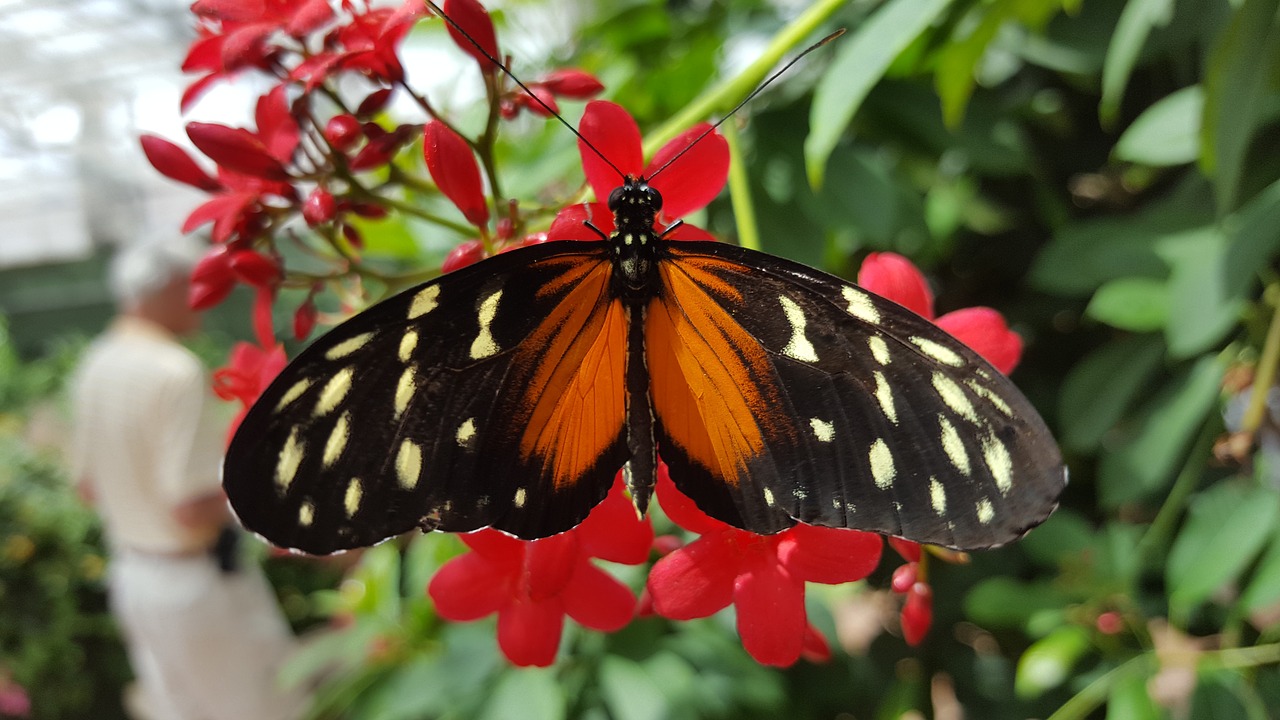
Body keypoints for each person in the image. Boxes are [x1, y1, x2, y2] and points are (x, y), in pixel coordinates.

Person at [69, 236, 309, 720]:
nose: (206, 295)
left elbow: (87, 485)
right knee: (259, 709)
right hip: (196, 589)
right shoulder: (172, 371)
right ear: (174, 286)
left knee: (179, 709)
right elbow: (192, 504)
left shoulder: (95, 363)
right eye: (198, 283)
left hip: (134, 577)